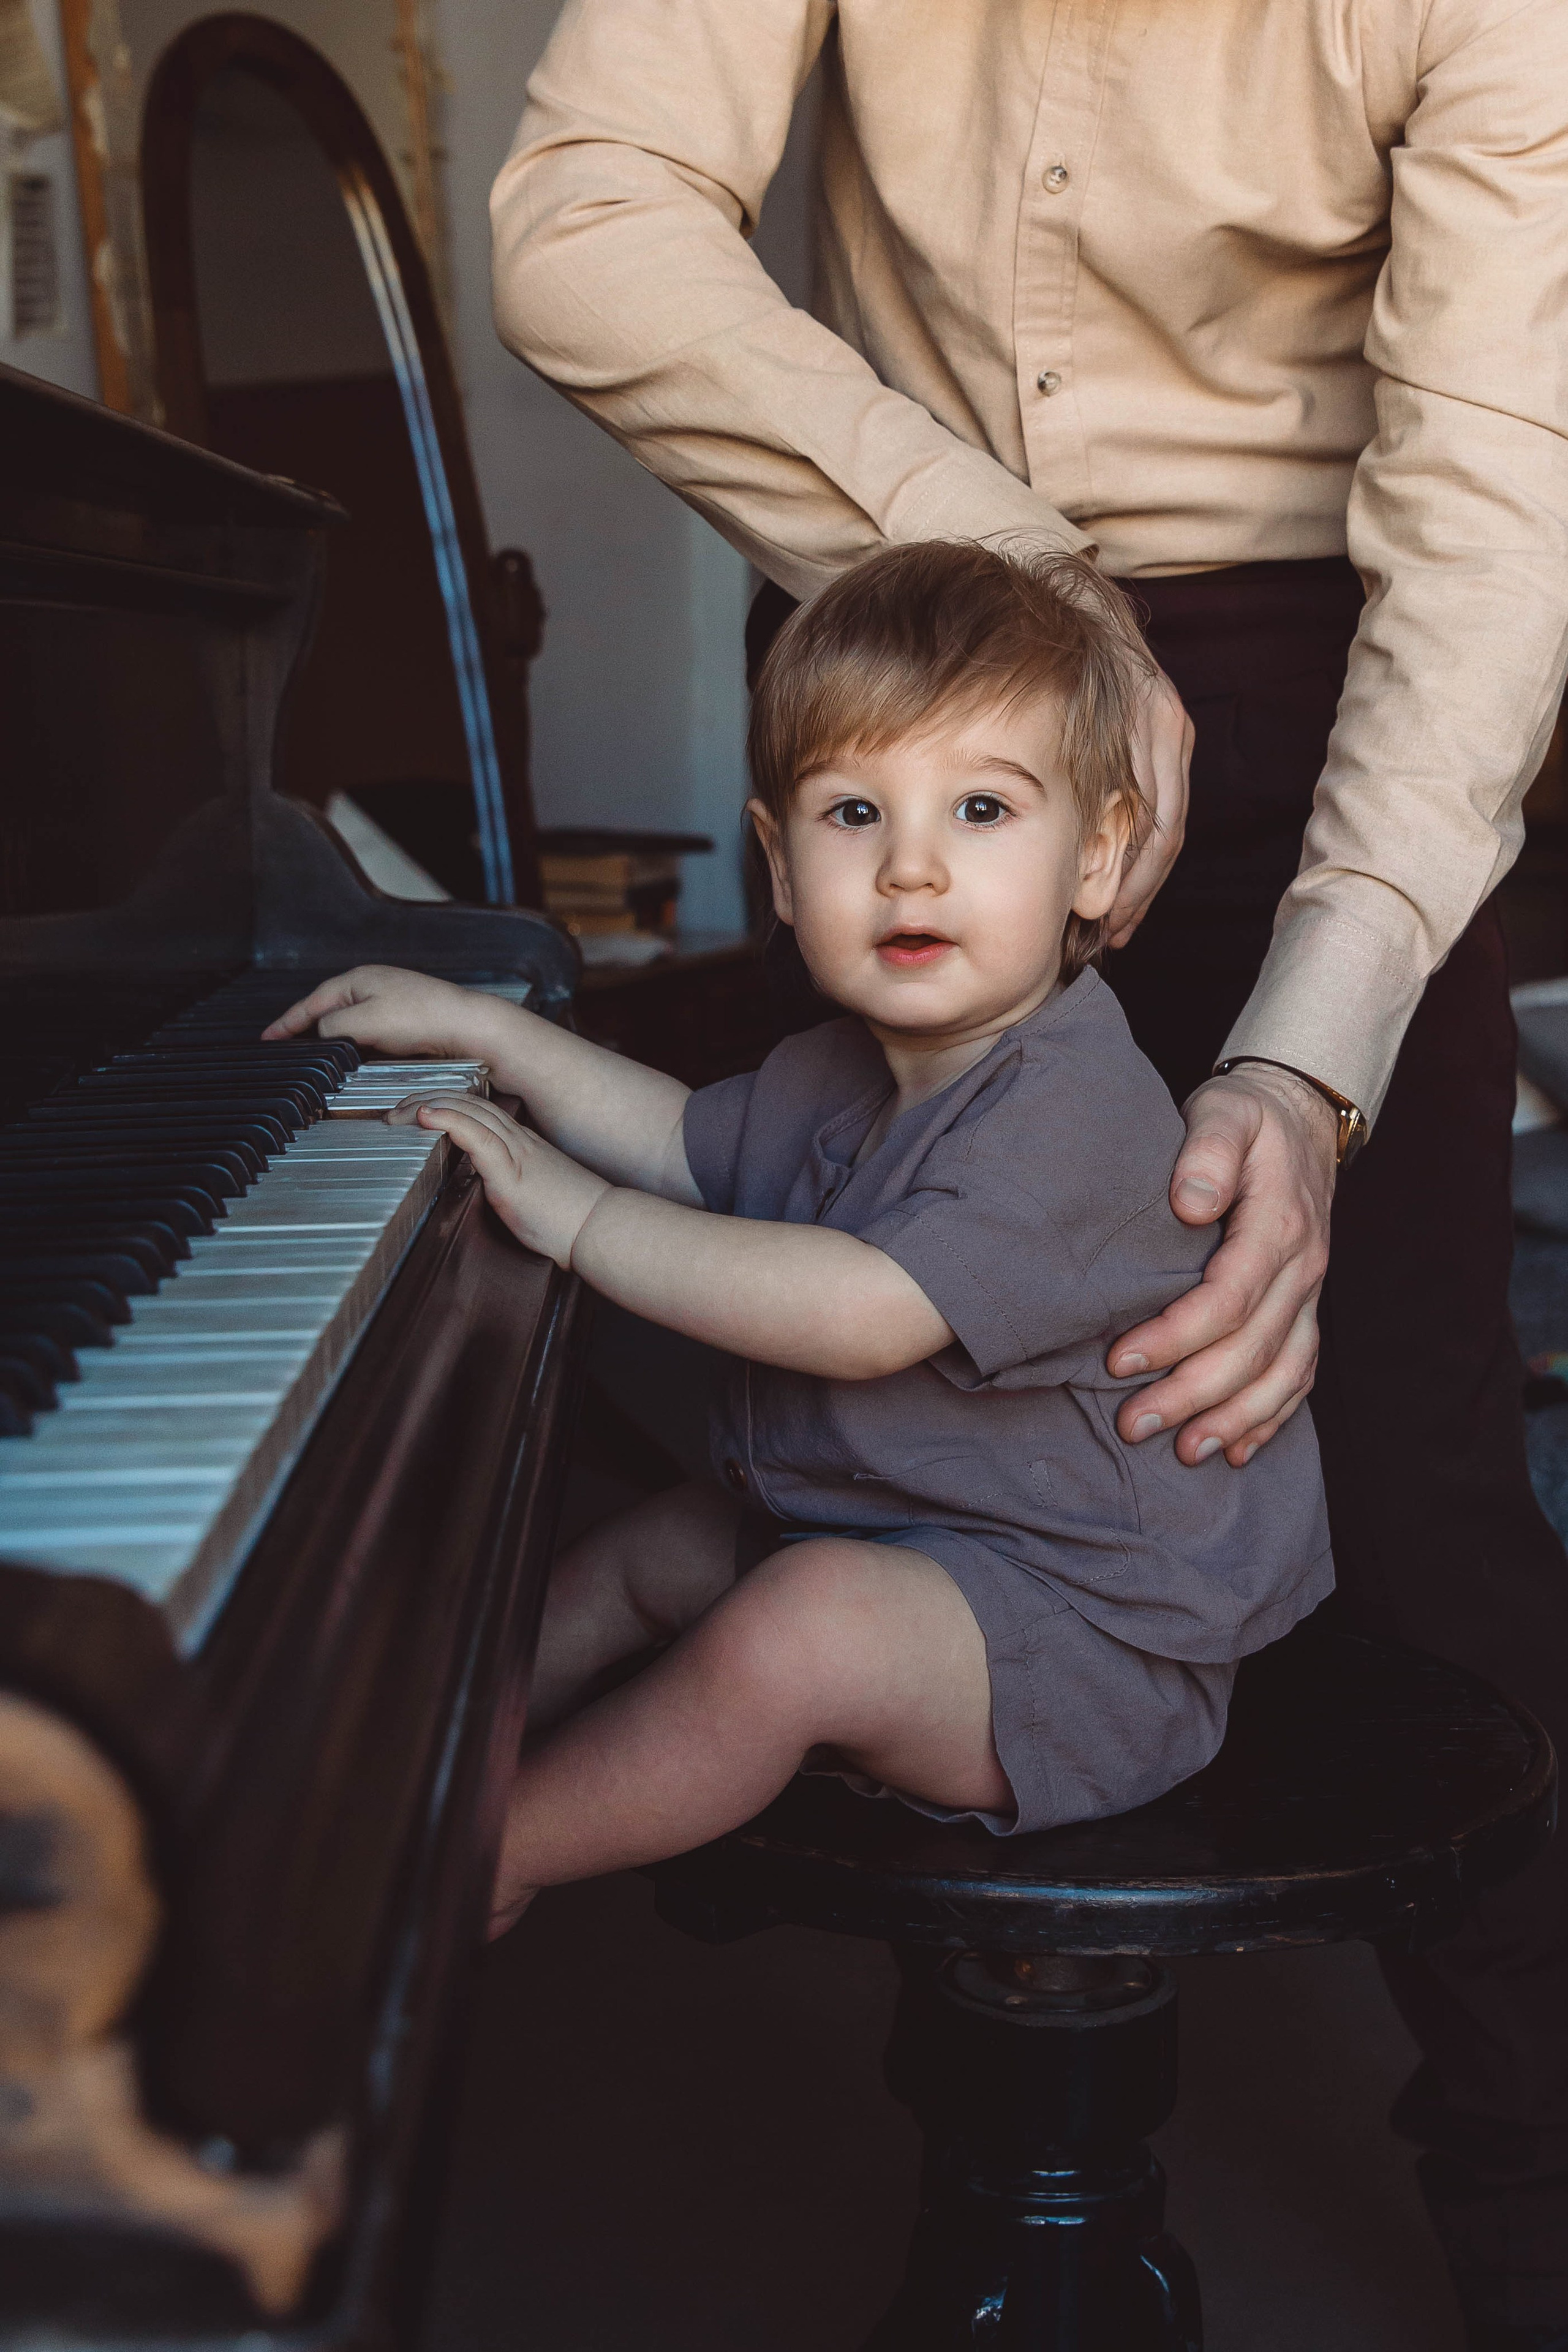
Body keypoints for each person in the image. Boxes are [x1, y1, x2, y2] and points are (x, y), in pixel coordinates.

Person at [488, 10, 1568, 2340]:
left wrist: (1310, 1052)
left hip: (1337, 668)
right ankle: (998, 2171)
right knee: (882, 1468)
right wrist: (1006, 566)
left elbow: (1494, 510)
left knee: (1415, 1473)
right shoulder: (889, 793)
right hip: (916, 601)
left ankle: (1537, 2214)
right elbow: (583, 228)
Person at [266, 540, 1330, 1926]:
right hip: (925, 1538)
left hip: (1087, 1642)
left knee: (800, 1624)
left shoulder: (1077, 1108)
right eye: (850, 815)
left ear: (1101, 853)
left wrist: (575, 1217)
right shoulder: (847, 1064)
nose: (910, 871)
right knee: (664, 1549)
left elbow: (861, 1311)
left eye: (981, 811)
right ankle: (415, 1759)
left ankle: (492, 1854)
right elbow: (682, 1140)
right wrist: (492, 1035)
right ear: (778, 865)